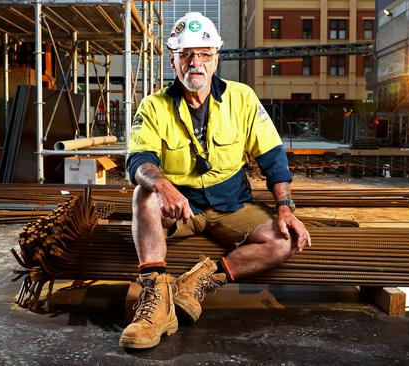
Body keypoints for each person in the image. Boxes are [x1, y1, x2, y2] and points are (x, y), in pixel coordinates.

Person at [119, 12, 311, 349]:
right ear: (173, 58)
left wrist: (285, 207)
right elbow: (139, 160)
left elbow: (272, 157)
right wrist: (165, 187)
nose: (196, 62)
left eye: (205, 53)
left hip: (231, 205)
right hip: (179, 207)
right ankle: (156, 300)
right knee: (144, 195)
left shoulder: (242, 98)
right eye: (186, 54)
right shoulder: (153, 106)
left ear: (216, 57)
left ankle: (198, 282)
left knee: (283, 240)